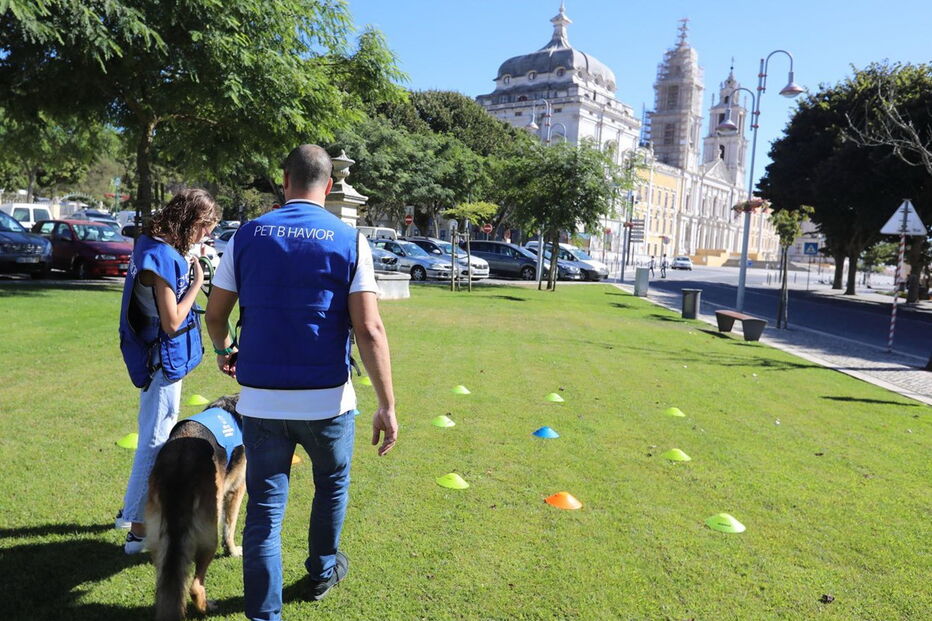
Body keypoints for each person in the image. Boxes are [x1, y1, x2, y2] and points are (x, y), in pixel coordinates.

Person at [205, 144, 397, 621]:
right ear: (329, 186)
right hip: (328, 400)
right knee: (331, 486)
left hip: (261, 400)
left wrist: (224, 349)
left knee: (265, 513)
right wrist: (387, 405)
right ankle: (321, 570)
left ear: (284, 179)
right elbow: (369, 329)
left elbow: (215, 313)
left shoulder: (247, 235)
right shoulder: (349, 239)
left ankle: (263, 614)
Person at [116, 189, 219, 554]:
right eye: (204, 227)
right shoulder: (159, 255)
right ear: (190, 221)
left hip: (157, 358)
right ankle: (137, 528)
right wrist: (196, 285)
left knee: (155, 436)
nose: (205, 235)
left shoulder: (155, 245)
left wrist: (191, 258)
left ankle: (138, 520)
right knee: (155, 442)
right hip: (160, 361)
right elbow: (173, 321)